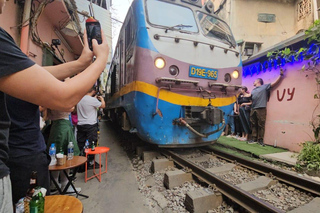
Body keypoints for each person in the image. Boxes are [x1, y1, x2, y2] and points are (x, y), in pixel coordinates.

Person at [0, 0, 109, 208]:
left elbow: (41, 75)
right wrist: (101, 61)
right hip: (21, 159)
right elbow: (65, 98)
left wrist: (80, 64)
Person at [248, 70, 284, 146]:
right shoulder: (253, 90)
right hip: (253, 108)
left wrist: (280, 75)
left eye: (254, 81)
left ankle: (260, 140)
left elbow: (274, 83)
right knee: (253, 124)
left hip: (261, 108)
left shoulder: (264, 87)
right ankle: (254, 138)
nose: (253, 82)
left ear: (258, 81)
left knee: (261, 124)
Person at [77, 87, 105, 167]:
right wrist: (102, 99)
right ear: (93, 91)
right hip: (91, 125)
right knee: (92, 144)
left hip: (80, 125)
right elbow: (103, 105)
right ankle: (91, 162)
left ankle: (81, 162)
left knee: (81, 143)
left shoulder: (79, 99)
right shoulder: (92, 100)